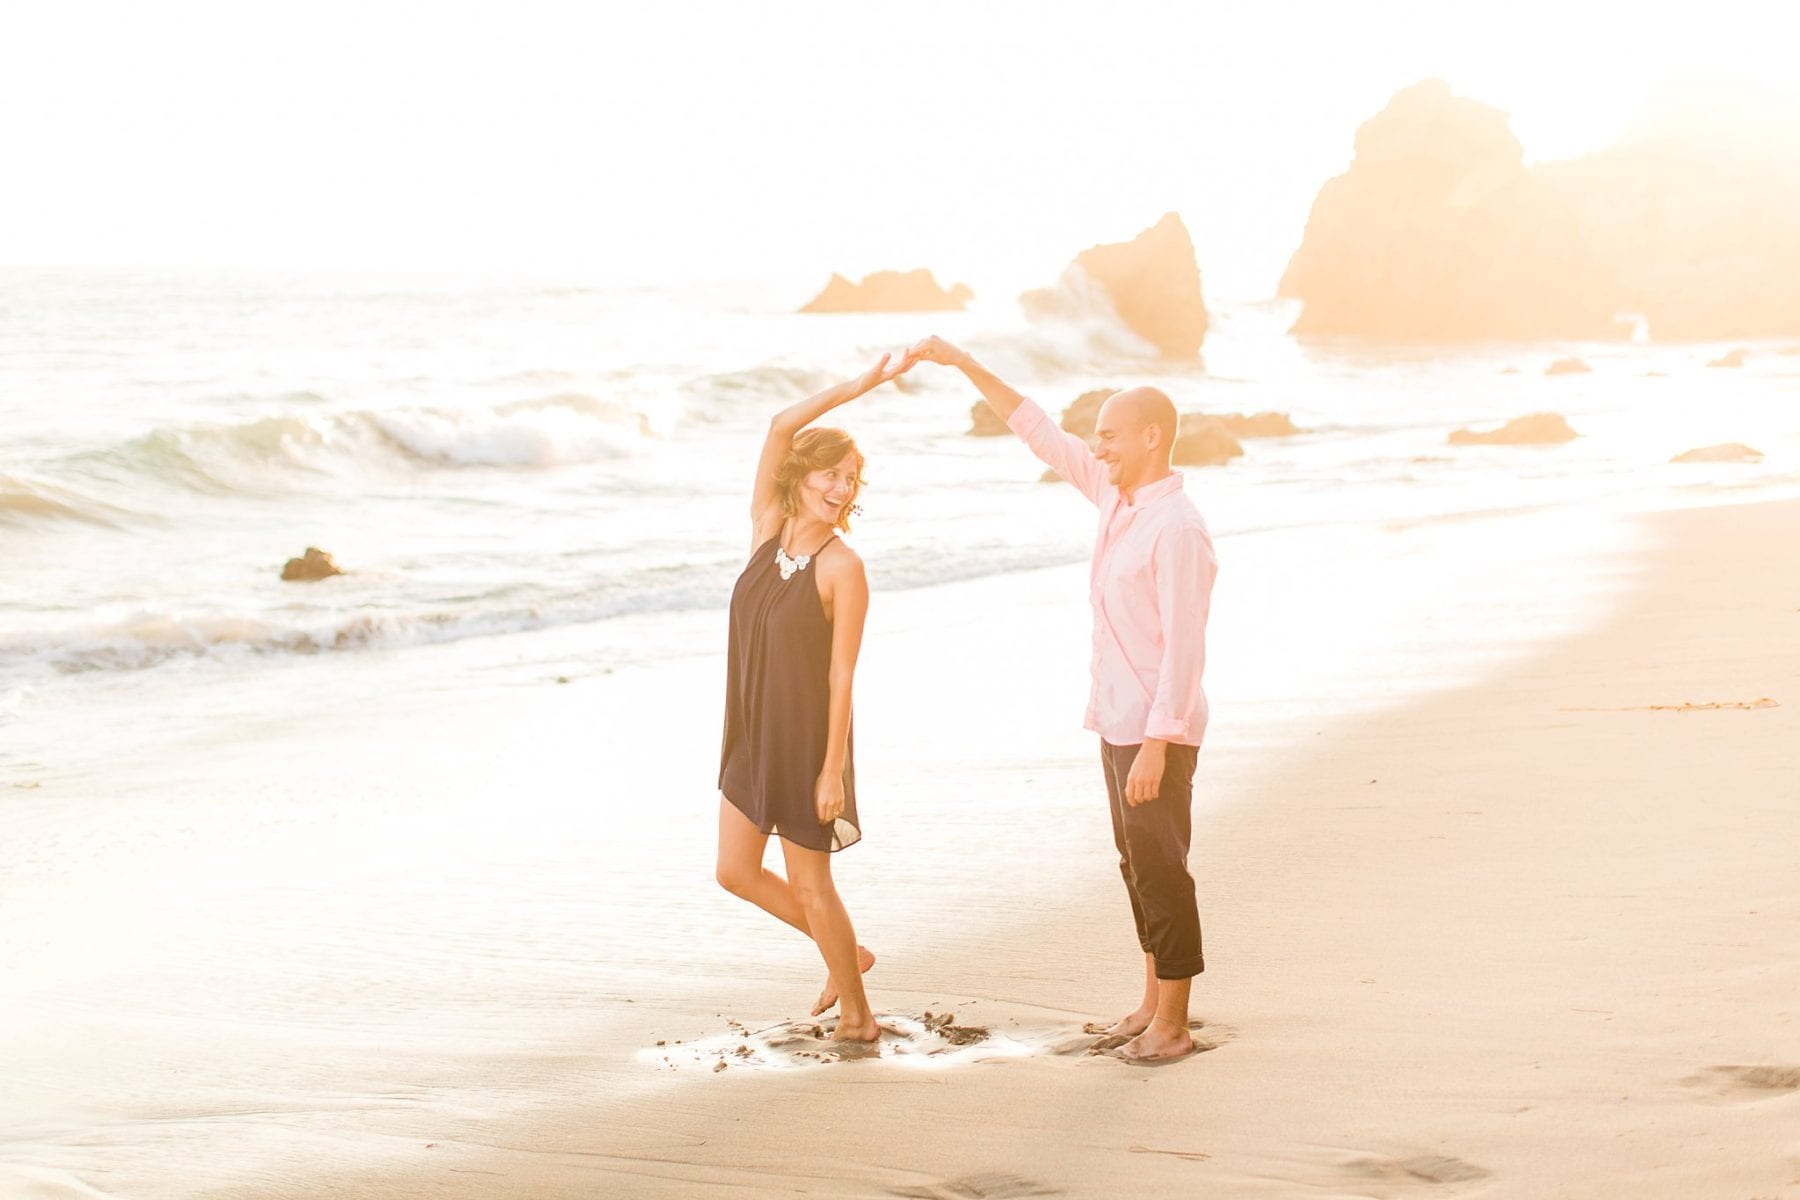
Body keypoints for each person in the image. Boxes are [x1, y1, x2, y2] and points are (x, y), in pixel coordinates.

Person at [909, 335, 1218, 1063]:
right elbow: (1040, 432)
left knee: (1163, 869)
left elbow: (1185, 648)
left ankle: (1174, 1022)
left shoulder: (1178, 528)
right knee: (1135, 864)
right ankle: (1150, 1001)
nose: (1098, 444)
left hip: (1156, 733)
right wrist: (965, 364)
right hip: (1116, 722)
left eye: (1110, 433)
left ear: (1150, 437)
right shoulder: (1117, 497)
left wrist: (1156, 741)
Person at [714, 351, 914, 1043]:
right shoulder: (766, 530)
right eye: (833, 473)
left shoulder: (843, 567)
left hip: (805, 741)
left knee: (811, 886)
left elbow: (842, 675)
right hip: (749, 730)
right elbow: (777, 425)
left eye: (852, 480)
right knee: (734, 871)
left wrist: (832, 768)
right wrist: (860, 386)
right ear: (801, 475)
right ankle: (847, 955)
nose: (842, 488)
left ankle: (859, 1016)